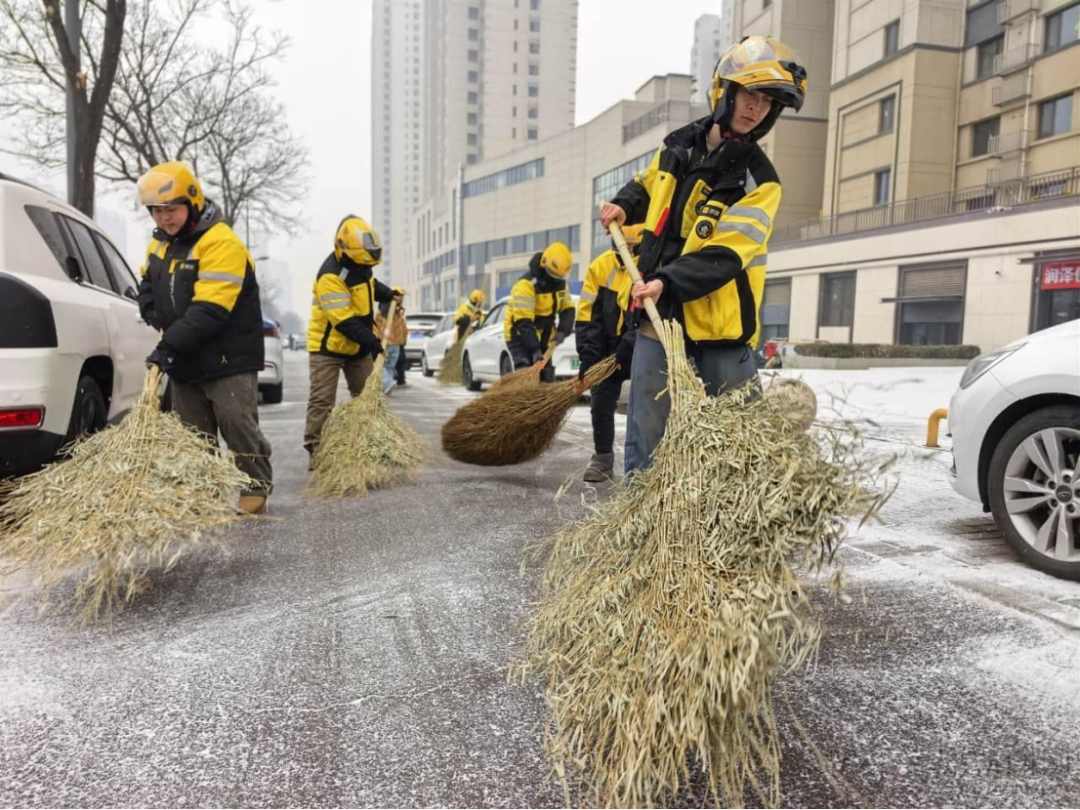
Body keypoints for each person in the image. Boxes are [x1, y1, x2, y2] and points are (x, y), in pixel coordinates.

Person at [598, 36, 808, 475]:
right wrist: (624, 204)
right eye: (750, 95)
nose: (756, 108)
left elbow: (725, 254)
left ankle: (734, 514)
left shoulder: (760, 181)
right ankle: (643, 509)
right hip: (658, 316)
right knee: (647, 433)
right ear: (724, 91)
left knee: (739, 441)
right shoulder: (677, 146)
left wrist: (666, 281)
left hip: (720, 329)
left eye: (767, 102)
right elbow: (648, 183)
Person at [135, 161, 273, 515]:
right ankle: (204, 490)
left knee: (236, 422)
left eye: (171, 209)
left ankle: (254, 484)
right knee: (193, 431)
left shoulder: (221, 242)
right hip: (187, 353)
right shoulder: (160, 243)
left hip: (227, 354)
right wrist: (149, 307)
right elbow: (149, 280)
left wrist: (167, 348)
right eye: (157, 211)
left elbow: (211, 308)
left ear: (193, 202)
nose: (164, 218)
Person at [304, 215, 400, 466]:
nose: (364, 267)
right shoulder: (330, 276)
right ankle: (317, 449)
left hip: (357, 346)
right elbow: (344, 321)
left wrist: (389, 294)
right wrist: (372, 342)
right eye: (360, 262)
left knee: (368, 396)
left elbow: (369, 285)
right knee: (322, 400)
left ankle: (370, 445)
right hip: (327, 348)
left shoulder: (360, 265)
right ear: (344, 250)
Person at [575, 224, 645, 482]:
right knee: (601, 402)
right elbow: (587, 315)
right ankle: (603, 458)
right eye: (621, 248)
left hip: (641, 344)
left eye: (632, 249)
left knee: (645, 405)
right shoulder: (600, 267)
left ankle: (645, 464)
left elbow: (649, 313)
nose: (626, 254)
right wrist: (588, 355)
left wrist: (630, 344)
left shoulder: (651, 265)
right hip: (607, 349)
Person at [504, 243, 576, 382]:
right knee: (526, 371)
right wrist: (534, 349)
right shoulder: (526, 285)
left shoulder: (560, 284)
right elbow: (523, 322)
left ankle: (543, 394)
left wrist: (563, 331)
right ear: (543, 263)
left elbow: (568, 309)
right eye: (552, 274)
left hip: (545, 334)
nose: (554, 279)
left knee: (545, 375)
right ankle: (521, 394)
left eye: (558, 276)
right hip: (519, 334)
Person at [375, 289, 408, 395]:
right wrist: (403, 341)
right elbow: (404, 330)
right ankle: (387, 386)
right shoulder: (398, 316)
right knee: (390, 366)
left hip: (385, 344)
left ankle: (387, 383)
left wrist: (376, 341)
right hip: (396, 345)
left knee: (381, 366)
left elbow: (376, 330)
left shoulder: (379, 316)